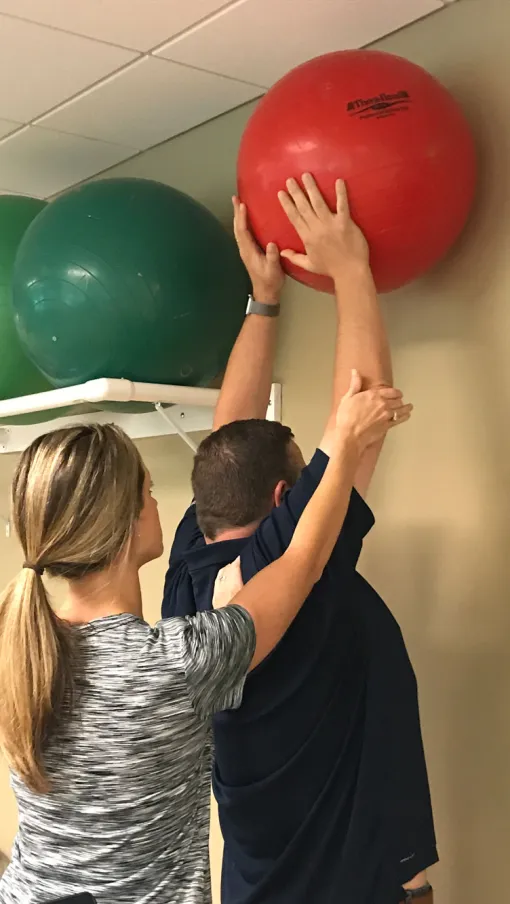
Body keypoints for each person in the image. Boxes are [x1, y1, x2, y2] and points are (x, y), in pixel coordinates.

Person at [0, 382, 408, 904]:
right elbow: (302, 562)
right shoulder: (179, 663)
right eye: (149, 492)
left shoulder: (20, 648)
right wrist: (343, 442)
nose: (158, 502)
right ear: (127, 522)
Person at [162, 175, 436, 904]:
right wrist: (350, 268)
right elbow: (361, 415)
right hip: (349, 887)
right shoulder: (292, 563)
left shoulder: (192, 571)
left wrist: (264, 300)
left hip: (259, 882)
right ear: (287, 501)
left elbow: (230, 439)